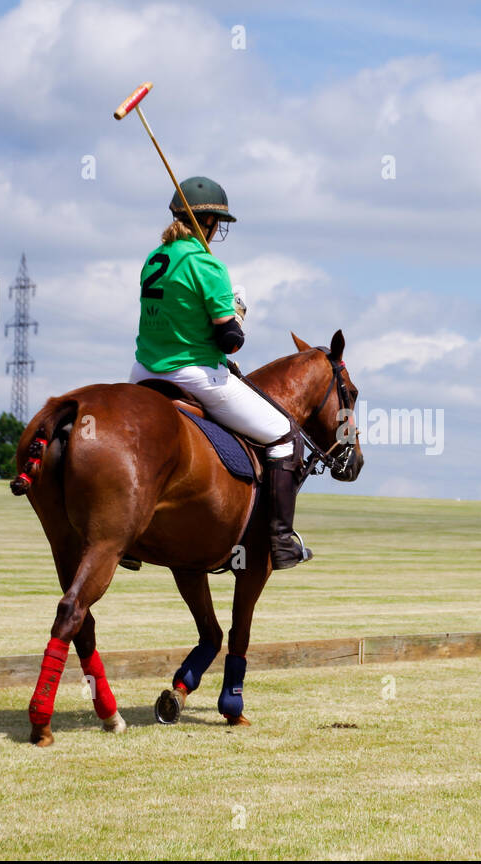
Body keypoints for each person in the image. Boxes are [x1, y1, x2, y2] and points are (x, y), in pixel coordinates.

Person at [127, 176, 312, 569]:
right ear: (205, 221)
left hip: (143, 372)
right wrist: (237, 311)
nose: (219, 229)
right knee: (284, 435)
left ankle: (129, 537)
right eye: (217, 221)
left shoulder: (153, 260)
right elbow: (229, 340)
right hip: (194, 374)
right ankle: (280, 542)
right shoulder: (207, 265)